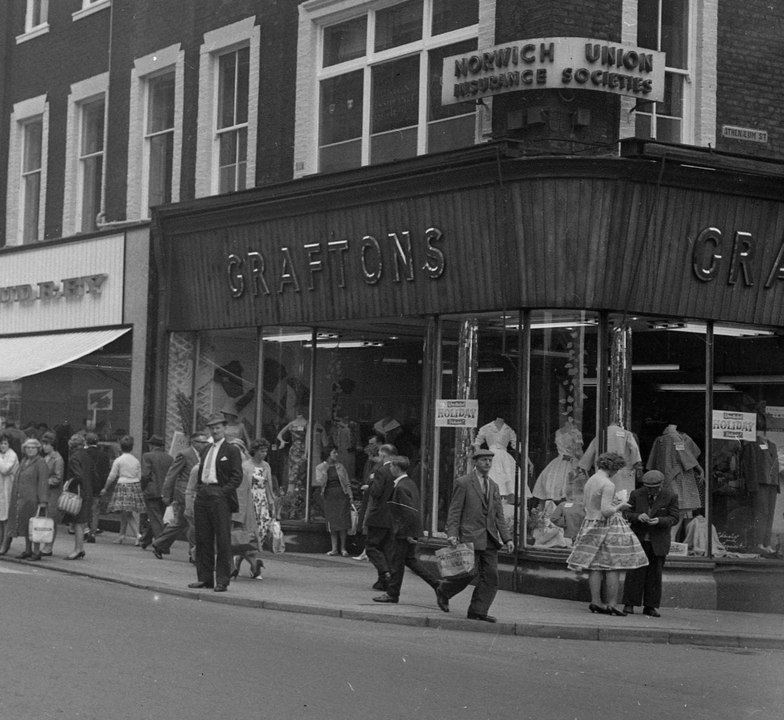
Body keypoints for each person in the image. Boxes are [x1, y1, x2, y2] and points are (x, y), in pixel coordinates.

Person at [436, 448, 514, 623]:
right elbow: (455, 511)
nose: (487, 463)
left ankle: (478, 611)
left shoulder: (493, 485)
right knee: (468, 573)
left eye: (489, 460)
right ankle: (444, 590)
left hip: (490, 539)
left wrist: (507, 538)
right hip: (470, 536)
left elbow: (499, 515)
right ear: (475, 462)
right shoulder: (463, 483)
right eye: (484, 460)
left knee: (491, 576)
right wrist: (452, 534)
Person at [566, 452, 648, 616]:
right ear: (614, 468)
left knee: (595, 565)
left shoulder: (592, 480)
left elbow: (590, 505)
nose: (617, 472)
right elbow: (606, 511)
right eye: (617, 469)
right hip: (607, 526)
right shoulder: (608, 484)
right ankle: (611, 604)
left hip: (590, 523)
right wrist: (620, 506)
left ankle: (595, 602)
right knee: (613, 566)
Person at [373, 455, 441, 605]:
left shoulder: (402, 486)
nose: (390, 469)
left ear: (396, 468)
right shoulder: (409, 483)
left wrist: (408, 534)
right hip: (408, 531)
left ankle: (392, 594)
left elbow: (408, 512)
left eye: (391, 467)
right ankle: (437, 585)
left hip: (403, 532)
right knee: (410, 561)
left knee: (396, 563)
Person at [189, 413, 243, 592]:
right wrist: (198, 489)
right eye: (212, 428)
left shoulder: (231, 450)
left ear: (225, 429)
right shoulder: (206, 449)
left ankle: (222, 580)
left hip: (219, 494)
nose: (215, 430)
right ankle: (204, 578)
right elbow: (201, 471)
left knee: (222, 539)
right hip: (204, 493)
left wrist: (222, 492)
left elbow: (237, 477)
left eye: (218, 427)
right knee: (203, 538)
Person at [622, 470, 680, 617]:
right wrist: (637, 516)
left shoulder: (670, 496)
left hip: (658, 540)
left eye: (654, 488)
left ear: (661, 485)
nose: (651, 490)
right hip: (639, 539)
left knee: (654, 575)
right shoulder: (636, 494)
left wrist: (660, 521)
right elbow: (626, 513)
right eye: (648, 487)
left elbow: (674, 517)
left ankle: (650, 606)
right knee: (634, 573)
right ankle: (629, 604)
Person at [153, 431, 210, 561]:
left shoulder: (205, 455)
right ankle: (193, 553)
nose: (204, 445)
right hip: (184, 493)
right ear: (194, 443)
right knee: (194, 523)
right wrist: (166, 494)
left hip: (197, 493)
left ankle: (159, 544)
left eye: (206, 442)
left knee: (180, 523)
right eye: (202, 442)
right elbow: (172, 474)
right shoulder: (185, 454)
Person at [363, 443, 397, 591]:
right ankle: (383, 581)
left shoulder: (382, 471)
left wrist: (370, 484)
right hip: (393, 516)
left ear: (383, 455)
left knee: (372, 547)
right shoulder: (398, 471)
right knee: (386, 548)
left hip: (379, 515)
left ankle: (385, 572)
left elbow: (376, 493)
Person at [100, 436, 145, 544]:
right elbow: (139, 476)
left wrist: (105, 488)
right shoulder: (136, 461)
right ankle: (122, 535)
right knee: (126, 512)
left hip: (123, 485)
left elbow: (112, 476)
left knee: (127, 513)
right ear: (132, 447)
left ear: (121, 447)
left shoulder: (118, 460)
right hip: (134, 485)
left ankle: (138, 535)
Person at [229, 439, 263, 580]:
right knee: (242, 542)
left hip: (237, 513)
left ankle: (233, 568)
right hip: (242, 512)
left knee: (235, 541)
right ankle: (252, 565)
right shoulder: (239, 471)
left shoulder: (239, 473)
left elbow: (240, 497)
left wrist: (236, 517)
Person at [11, 438, 49, 560]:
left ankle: (36, 552)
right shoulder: (24, 461)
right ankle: (28, 549)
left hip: (34, 500)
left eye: (33, 447)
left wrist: (43, 501)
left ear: (38, 449)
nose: (30, 450)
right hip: (23, 499)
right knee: (26, 525)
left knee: (35, 526)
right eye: (28, 447)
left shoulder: (41, 462)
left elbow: (43, 482)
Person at [61, 434, 95, 560]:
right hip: (88, 491)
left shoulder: (74, 457)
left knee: (77, 523)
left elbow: (77, 476)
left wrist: (68, 484)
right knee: (81, 523)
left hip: (78, 492)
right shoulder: (87, 456)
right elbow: (93, 474)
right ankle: (80, 548)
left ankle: (78, 549)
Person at [315, 444, 352, 557]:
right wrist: (325, 471)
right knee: (332, 522)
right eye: (334, 452)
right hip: (329, 495)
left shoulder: (340, 466)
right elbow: (320, 482)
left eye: (336, 452)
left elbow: (346, 482)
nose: (336, 454)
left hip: (341, 494)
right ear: (328, 454)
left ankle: (343, 548)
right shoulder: (320, 467)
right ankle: (334, 548)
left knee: (343, 522)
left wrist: (350, 495)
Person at [139, 435, 173, 549]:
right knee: (156, 517)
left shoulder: (147, 456)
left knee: (155, 518)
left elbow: (145, 475)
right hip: (165, 492)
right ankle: (145, 540)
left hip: (152, 490)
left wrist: (142, 488)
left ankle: (162, 545)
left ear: (151, 445)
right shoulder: (169, 458)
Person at [246, 438, 276, 553]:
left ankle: (257, 546)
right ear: (255, 451)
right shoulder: (246, 466)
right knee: (250, 526)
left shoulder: (266, 466)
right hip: (250, 498)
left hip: (262, 498)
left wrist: (271, 502)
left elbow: (268, 484)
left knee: (263, 524)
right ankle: (249, 549)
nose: (264, 454)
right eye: (261, 451)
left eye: (265, 451)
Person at [40, 431, 65, 556]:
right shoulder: (45, 458)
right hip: (45, 492)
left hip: (53, 493)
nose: (44, 447)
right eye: (43, 444)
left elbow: (58, 477)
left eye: (46, 444)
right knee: (45, 518)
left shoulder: (57, 459)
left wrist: (44, 481)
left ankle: (49, 546)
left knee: (51, 519)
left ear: (52, 445)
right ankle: (45, 543)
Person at [84, 432, 111, 542]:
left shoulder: (83, 453)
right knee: (95, 510)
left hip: (85, 485)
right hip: (98, 485)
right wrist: (104, 487)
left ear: (86, 442)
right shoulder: (104, 455)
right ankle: (93, 533)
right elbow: (106, 472)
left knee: (84, 508)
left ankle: (85, 529)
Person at [0, 435, 19, 555]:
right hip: (1, 490)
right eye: (1, 443)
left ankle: (5, 543)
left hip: (8, 490)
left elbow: (5, 469)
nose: (2, 446)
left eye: (5, 443)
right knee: (1, 519)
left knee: (6, 518)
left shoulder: (12, 455)